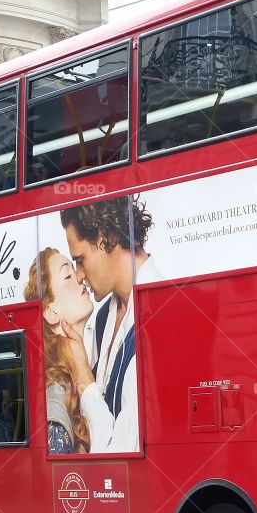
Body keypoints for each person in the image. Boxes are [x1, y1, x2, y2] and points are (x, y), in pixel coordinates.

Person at [60, 194, 162, 453]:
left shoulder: (160, 316)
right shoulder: (103, 317)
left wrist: (83, 374)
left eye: (80, 259)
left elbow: (121, 452)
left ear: (105, 237)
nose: (78, 275)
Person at [23, 248, 95, 454]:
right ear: (51, 311)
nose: (79, 277)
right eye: (67, 275)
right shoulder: (56, 400)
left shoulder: (84, 375)